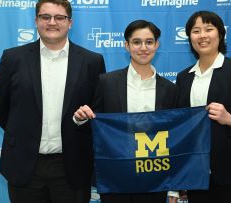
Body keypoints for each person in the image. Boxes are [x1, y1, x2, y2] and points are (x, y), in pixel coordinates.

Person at [0, 0, 106, 203]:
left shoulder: (91, 61)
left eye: (59, 18)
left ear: (70, 23)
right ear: (36, 21)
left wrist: (81, 121)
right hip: (24, 166)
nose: (52, 22)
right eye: (45, 17)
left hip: (72, 166)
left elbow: (98, 110)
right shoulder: (13, 58)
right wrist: (22, 132)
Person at [74, 19, 177, 203]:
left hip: (154, 178)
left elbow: (175, 137)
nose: (143, 48)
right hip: (115, 177)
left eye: (149, 42)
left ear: (157, 45)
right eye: (137, 42)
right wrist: (81, 119)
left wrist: (174, 188)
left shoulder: (169, 89)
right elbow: (96, 125)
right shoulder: (106, 82)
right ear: (127, 45)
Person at [176, 11, 231, 203]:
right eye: (196, 31)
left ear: (220, 34)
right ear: (189, 37)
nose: (202, 36)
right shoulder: (184, 77)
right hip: (197, 175)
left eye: (209, 29)